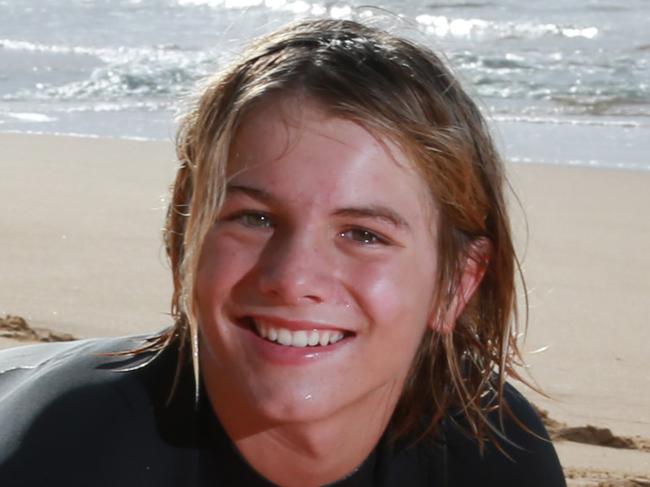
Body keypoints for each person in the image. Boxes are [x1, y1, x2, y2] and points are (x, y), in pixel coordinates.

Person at [0, 18, 566, 487]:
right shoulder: (68, 453)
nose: (293, 278)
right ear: (185, 235)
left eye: (363, 234)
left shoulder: (493, 453)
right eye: (255, 218)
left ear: (456, 283)